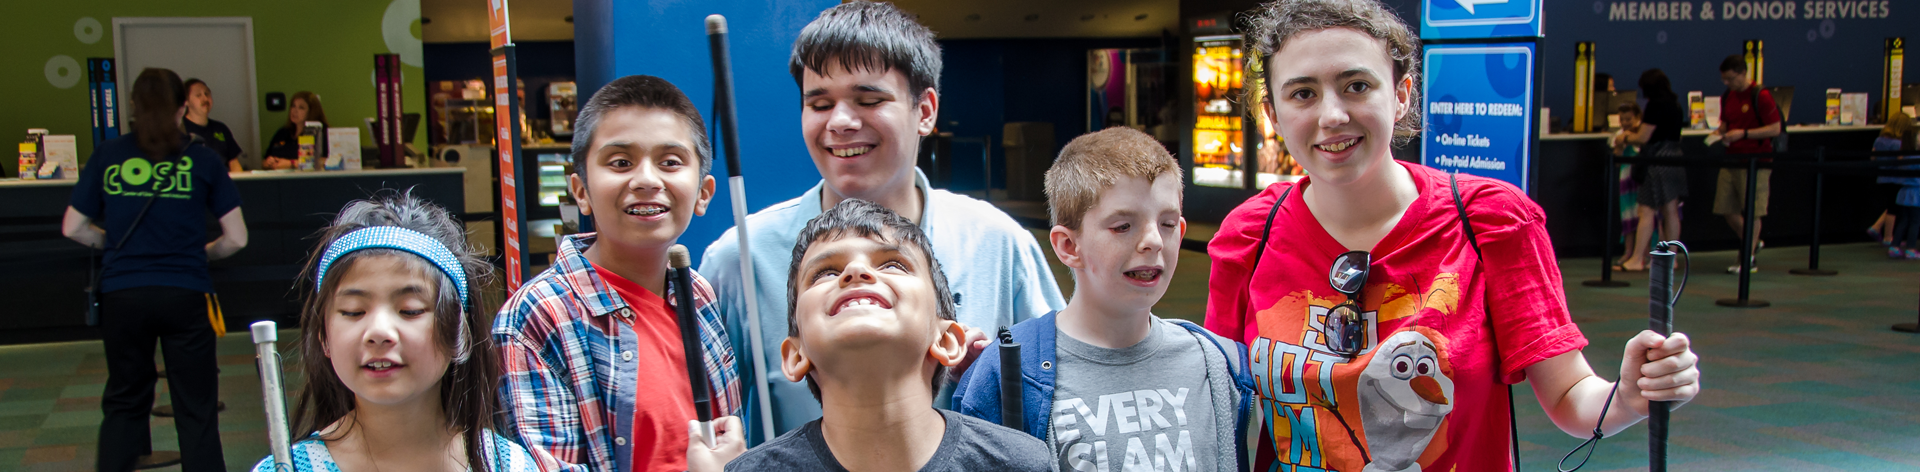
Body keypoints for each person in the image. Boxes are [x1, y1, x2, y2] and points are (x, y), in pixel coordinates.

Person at [1205, 1, 1702, 471]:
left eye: (1356, 85)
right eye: (1303, 93)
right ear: (1272, 114)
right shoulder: (1251, 234)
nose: (1332, 115)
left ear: (1400, 96)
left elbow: (1572, 397)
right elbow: (1215, 403)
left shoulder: (1490, 221)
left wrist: (1631, 396)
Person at [698, 0, 1066, 444]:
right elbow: (702, 418)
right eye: (819, 103)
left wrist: (982, 382)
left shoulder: (998, 243)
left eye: (868, 99)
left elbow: (1061, 398)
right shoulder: (741, 255)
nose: (840, 122)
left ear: (925, 110)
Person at [951, 127, 1256, 471]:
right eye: (1123, 226)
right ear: (1069, 246)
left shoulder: (1216, 364)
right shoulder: (1009, 374)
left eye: (1167, 223)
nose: (1154, 240)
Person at [494, 75, 742, 472]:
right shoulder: (537, 318)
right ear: (580, 190)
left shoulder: (698, 294)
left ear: (703, 193)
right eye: (621, 162)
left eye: (670, 162)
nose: (646, 180)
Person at [693, 199, 1051, 471]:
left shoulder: (1020, 462)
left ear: (947, 341)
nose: (855, 270)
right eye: (824, 272)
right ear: (794, 355)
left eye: (893, 264)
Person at [255, 193, 536, 472]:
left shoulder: (511, 465)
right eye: (353, 311)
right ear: (323, 336)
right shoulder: (287, 468)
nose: (378, 331)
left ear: (459, 332)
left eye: (410, 310)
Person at [62, 67, 248, 472]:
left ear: (132, 107)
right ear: (183, 107)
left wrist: (111, 243)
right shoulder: (203, 159)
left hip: (122, 294)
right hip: (185, 291)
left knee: (125, 401)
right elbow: (236, 238)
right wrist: (203, 253)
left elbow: (72, 227)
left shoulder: (108, 156)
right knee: (196, 407)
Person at [1711, 54, 1783, 273]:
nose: (1727, 83)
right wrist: (1720, 132)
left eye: (1731, 78)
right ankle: (1753, 239)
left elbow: (1775, 128)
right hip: (1731, 157)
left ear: (1743, 73)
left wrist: (1743, 134)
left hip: (1756, 160)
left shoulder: (1761, 95)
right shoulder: (1728, 96)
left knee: (1753, 210)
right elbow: (1725, 122)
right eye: (1724, 79)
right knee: (1725, 208)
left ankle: (1747, 258)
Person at [1616, 69, 1689, 272]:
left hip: (1656, 160)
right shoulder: (1676, 104)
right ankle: (1670, 258)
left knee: (1646, 209)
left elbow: (1643, 137)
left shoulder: (1655, 106)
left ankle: (1637, 258)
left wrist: (1625, 137)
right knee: (1671, 210)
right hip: (1674, 158)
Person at [1874, 112, 1918, 258]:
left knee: (1896, 211)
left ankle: (1887, 237)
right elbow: (1901, 160)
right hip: (1902, 184)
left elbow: (1874, 156)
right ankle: (1891, 239)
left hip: (1885, 180)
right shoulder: (1900, 146)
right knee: (1901, 214)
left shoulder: (1880, 140)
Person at [181, 79, 247, 172]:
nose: (205, 99)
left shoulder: (221, 128)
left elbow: (234, 164)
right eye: (198, 95)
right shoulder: (179, 129)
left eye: (207, 94)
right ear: (186, 101)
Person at [263, 91, 328, 170]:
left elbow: (326, 161)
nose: (295, 111)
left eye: (301, 108)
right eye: (293, 106)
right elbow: (264, 159)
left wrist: (291, 163)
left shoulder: (320, 133)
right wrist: (269, 162)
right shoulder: (283, 133)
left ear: (311, 111)